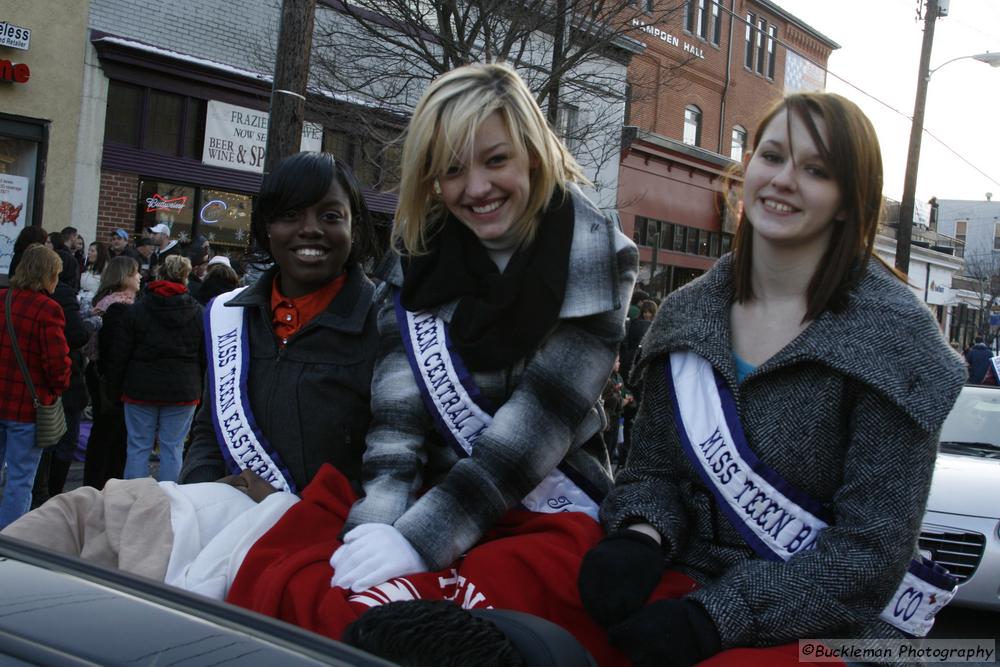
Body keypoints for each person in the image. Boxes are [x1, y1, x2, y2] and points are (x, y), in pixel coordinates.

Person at [226, 63, 637, 664]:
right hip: (428, 499)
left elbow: (539, 423)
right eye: (451, 169)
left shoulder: (598, 252)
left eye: (494, 160)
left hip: (545, 508)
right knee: (323, 595)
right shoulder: (415, 252)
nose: (475, 188)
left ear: (531, 152)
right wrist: (379, 520)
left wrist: (419, 542)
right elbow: (397, 416)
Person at [577, 92, 967, 666]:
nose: (784, 180)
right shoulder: (687, 316)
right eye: (772, 156)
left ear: (846, 201)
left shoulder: (896, 342)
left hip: (821, 631)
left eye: (815, 170)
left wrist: (719, 616)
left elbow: (868, 554)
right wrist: (641, 533)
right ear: (748, 167)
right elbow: (654, 473)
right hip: (679, 592)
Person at [179, 150, 379, 493]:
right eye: (290, 215)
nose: (311, 229)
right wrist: (204, 493)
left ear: (354, 227)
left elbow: (398, 465)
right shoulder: (231, 316)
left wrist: (292, 513)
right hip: (232, 531)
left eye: (330, 215)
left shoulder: (383, 322)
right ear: (267, 227)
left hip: (335, 539)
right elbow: (209, 433)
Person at [106, 255, 204, 483]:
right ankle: (171, 503)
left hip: (140, 388)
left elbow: (120, 354)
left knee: (138, 446)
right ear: (185, 277)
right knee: (173, 448)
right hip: (183, 388)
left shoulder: (137, 310)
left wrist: (114, 389)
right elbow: (203, 356)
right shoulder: (198, 312)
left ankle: (133, 499)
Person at [0, 245, 72, 528]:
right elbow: (57, 364)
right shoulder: (48, 309)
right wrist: (57, 389)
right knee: (20, 480)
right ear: (49, 275)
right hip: (27, 409)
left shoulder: (2, 299)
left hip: (5, 399)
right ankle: (8, 542)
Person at [31, 248, 93, 507]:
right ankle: (46, 499)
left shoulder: (8, 297)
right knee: (54, 446)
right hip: (49, 388)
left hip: (21, 388)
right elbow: (64, 345)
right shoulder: (57, 300)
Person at [81, 256, 142, 489]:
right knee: (111, 436)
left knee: (104, 434)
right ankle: (102, 486)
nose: (139, 276)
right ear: (123, 276)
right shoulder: (120, 306)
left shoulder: (104, 301)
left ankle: (96, 484)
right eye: (135, 272)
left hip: (99, 373)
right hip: (110, 378)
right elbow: (114, 348)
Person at [79, 241, 110, 307]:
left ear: (100, 254)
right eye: (89, 250)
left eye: (92, 251)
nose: (89, 253)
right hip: (82, 300)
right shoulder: (88, 267)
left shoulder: (106, 269)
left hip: (95, 304)